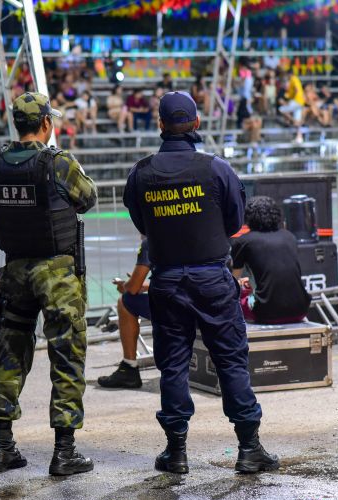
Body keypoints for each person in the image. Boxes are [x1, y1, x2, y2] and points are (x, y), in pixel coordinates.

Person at [123, 91, 279, 475]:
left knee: (174, 366)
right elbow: (232, 223)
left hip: (168, 280)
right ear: (195, 123)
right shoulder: (217, 168)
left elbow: (142, 224)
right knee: (230, 361)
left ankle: (176, 452)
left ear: (160, 125)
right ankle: (249, 447)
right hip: (211, 278)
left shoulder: (142, 171)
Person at [0, 92, 96, 476]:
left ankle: (2, 447)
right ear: (47, 123)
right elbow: (88, 198)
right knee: (66, 354)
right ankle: (64, 452)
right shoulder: (58, 162)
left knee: (10, 350)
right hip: (57, 273)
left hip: (15, 269)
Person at [231, 196, 311, 324]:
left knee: (237, 298)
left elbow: (233, 283)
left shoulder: (243, 241)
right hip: (301, 310)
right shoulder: (289, 237)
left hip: (265, 312)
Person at [97, 237, 151, 389]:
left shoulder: (153, 239)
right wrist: (147, 286)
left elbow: (133, 287)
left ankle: (129, 367)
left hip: (175, 305)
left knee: (125, 301)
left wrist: (125, 286)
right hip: (208, 298)